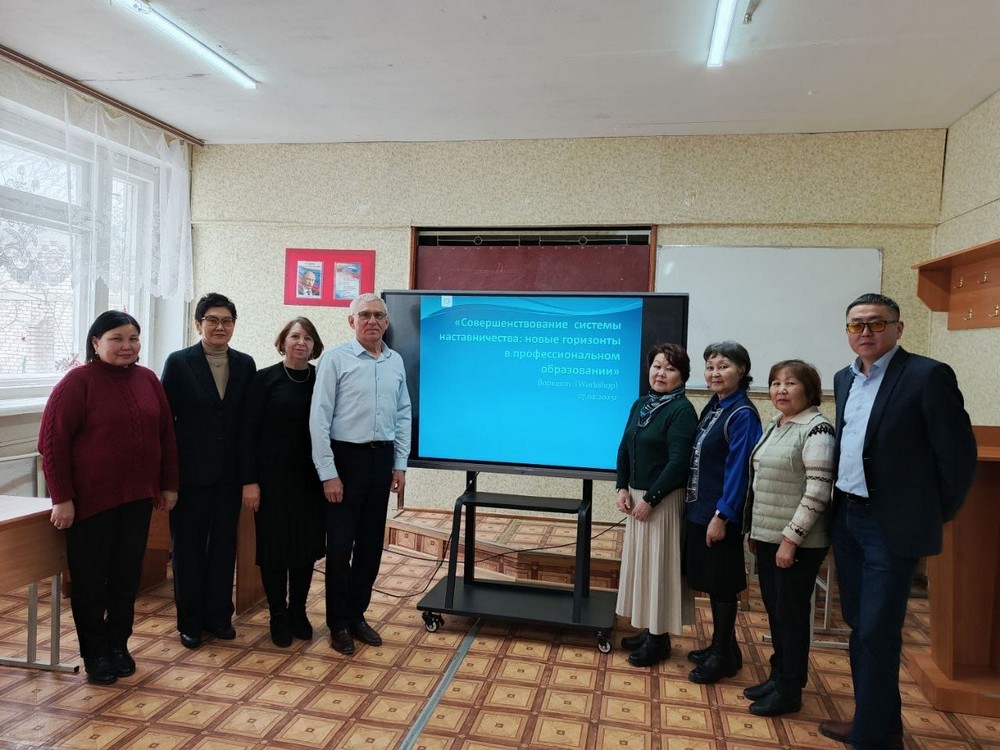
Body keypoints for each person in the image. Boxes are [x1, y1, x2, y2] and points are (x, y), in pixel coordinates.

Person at [818, 293, 976, 750]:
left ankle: (872, 736)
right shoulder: (843, 378)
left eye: (876, 323)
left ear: (898, 328)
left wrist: (933, 512)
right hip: (847, 515)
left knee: (877, 630)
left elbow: (958, 456)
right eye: (856, 325)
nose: (865, 332)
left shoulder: (927, 376)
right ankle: (878, 726)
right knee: (859, 624)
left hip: (889, 525)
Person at [38, 311, 179, 684]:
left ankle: (118, 645)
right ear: (96, 342)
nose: (126, 346)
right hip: (90, 504)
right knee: (90, 582)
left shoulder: (148, 380)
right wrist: (61, 498)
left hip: (137, 500)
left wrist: (168, 485)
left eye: (133, 338)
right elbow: (52, 444)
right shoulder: (77, 382)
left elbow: (166, 436)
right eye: (117, 338)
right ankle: (95, 653)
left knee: (125, 578)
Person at [309, 293, 411, 655]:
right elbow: (319, 419)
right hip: (345, 460)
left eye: (379, 315)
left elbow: (403, 414)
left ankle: (356, 615)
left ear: (386, 322)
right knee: (340, 548)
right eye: (364, 315)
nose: (372, 321)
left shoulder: (395, 361)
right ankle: (337, 623)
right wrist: (328, 473)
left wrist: (400, 464)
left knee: (370, 547)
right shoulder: (335, 359)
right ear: (351, 321)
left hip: (381, 459)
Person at [161, 293, 256, 649]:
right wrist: (168, 480)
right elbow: (165, 424)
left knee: (223, 547)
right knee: (187, 550)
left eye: (227, 321)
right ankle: (190, 622)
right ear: (198, 324)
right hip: (189, 477)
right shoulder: (179, 362)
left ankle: (219, 616)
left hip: (229, 476)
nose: (220, 327)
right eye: (212, 320)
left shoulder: (245, 364)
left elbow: (248, 425)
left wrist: (249, 476)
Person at [743, 360, 834, 716]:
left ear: (809, 389)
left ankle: (790, 689)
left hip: (796, 543)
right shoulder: (777, 423)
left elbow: (818, 492)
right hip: (769, 536)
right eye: (775, 383)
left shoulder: (817, 429)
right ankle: (778, 676)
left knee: (791, 616)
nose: (781, 390)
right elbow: (762, 482)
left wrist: (790, 540)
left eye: (790, 383)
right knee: (776, 611)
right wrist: (757, 532)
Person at [241, 318, 326, 647]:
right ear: (283, 342)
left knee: (305, 547)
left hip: (310, 479)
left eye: (308, 338)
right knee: (274, 548)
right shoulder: (264, 379)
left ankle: (298, 611)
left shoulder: (321, 379)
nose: (301, 342)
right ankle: (277, 613)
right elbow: (248, 432)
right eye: (295, 336)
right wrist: (250, 481)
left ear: (314, 345)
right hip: (271, 479)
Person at [615, 343, 698, 667]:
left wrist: (650, 499)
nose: (661, 373)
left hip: (662, 502)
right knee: (644, 567)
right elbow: (625, 447)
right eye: (657, 366)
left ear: (682, 376)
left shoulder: (682, 410)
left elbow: (679, 462)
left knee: (660, 569)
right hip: (638, 498)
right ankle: (651, 631)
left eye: (670, 368)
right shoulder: (641, 404)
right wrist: (621, 487)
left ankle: (659, 639)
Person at [685, 341, 762, 684]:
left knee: (723, 584)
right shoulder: (714, 406)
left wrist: (723, 515)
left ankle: (721, 656)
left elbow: (740, 470)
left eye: (723, 366)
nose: (715, 373)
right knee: (712, 581)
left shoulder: (742, 413)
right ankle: (726, 649)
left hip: (720, 514)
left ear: (741, 370)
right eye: (710, 367)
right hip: (699, 509)